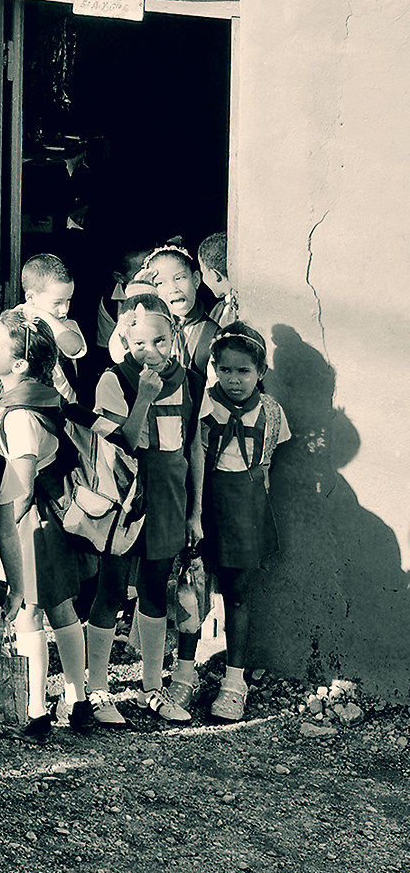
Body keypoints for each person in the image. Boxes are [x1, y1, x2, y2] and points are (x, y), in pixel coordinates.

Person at [0, 311, 97, 743]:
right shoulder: (42, 397)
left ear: (19, 365)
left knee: (30, 610)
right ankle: (78, 699)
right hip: (54, 519)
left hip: (29, 521)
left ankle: (34, 710)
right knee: (62, 607)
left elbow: (22, 485)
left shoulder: (17, 415)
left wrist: (1, 535)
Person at [85, 292, 195, 731]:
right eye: (140, 344)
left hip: (169, 501)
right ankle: (97, 689)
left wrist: (195, 510)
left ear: (173, 338)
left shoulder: (189, 379)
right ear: (124, 340)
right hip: (123, 503)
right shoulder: (113, 378)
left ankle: (152, 689)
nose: (151, 352)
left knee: (154, 590)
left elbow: (193, 447)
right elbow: (122, 442)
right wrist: (145, 398)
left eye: (161, 342)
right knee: (110, 591)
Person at [191, 323, 288, 723]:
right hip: (204, 503)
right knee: (192, 587)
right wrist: (192, 512)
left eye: (244, 371)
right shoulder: (202, 404)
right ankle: (184, 673)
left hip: (246, 507)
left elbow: (268, 463)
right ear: (214, 367)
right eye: (225, 370)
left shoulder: (271, 412)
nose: (234, 379)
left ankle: (234, 682)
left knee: (239, 593)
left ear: (260, 372)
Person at [0, 254, 88, 405]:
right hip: (27, 403)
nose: (64, 309)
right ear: (30, 298)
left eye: (68, 300)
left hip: (64, 408)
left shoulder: (66, 326)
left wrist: (43, 315)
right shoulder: (14, 325)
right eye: (57, 302)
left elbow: (74, 348)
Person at [140, 245, 219, 377]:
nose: (173, 288)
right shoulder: (146, 328)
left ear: (196, 280)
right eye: (160, 283)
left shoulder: (212, 333)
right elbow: (118, 355)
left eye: (179, 278)